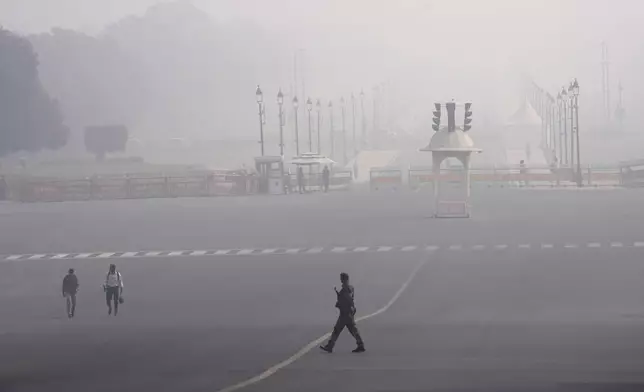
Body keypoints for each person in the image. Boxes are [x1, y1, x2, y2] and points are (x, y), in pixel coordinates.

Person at [320, 272, 365, 353]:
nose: (340, 280)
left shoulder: (345, 289)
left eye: (341, 278)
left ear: (344, 279)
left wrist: (339, 303)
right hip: (349, 313)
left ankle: (330, 346)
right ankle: (360, 344)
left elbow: (347, 300)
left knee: (337, 330)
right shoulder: (351, 288)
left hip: (345, 314)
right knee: (353, 330)